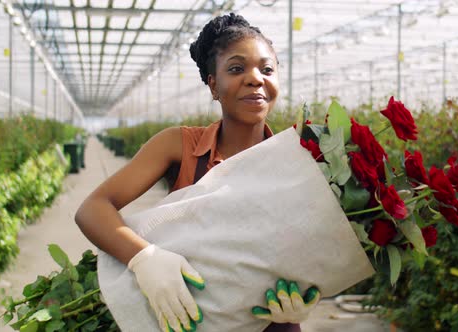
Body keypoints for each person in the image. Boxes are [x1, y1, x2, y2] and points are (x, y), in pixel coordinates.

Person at [75, 13, 319, 332]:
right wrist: (144, 258)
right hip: (192, 321)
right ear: (213, 85)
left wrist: (312, 289)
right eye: (236, 68)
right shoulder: (179, 146)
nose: (255, 78)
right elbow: (92, 210)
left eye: (267, 69)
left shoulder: (299, 158)